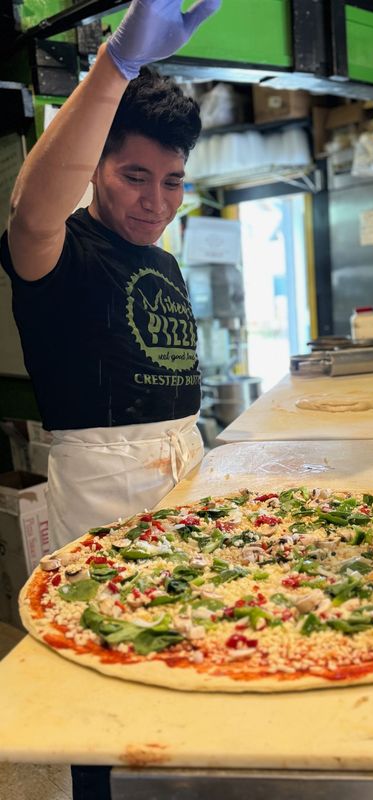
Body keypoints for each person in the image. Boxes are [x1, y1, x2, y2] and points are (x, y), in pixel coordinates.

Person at [0, 0, 222, 548]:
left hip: (187, 465)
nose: (155, 201)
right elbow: (29, 212)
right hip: (105, 491)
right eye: (134, 176)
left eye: (172, 181)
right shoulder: (60, 247)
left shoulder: (164, 261)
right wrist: (114, 67)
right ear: (96, 169)